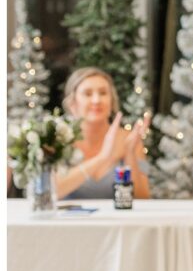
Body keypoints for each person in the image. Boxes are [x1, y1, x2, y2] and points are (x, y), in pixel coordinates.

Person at [55, 67, 152, 200]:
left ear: (112, 102)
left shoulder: (129, 139)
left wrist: (129, 152)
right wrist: (102, 158)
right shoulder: (59, 140)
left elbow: (142, 198)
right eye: (88, 94)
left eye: (103, 93)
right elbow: (52, 192)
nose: (96, 100)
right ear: (73, 104)